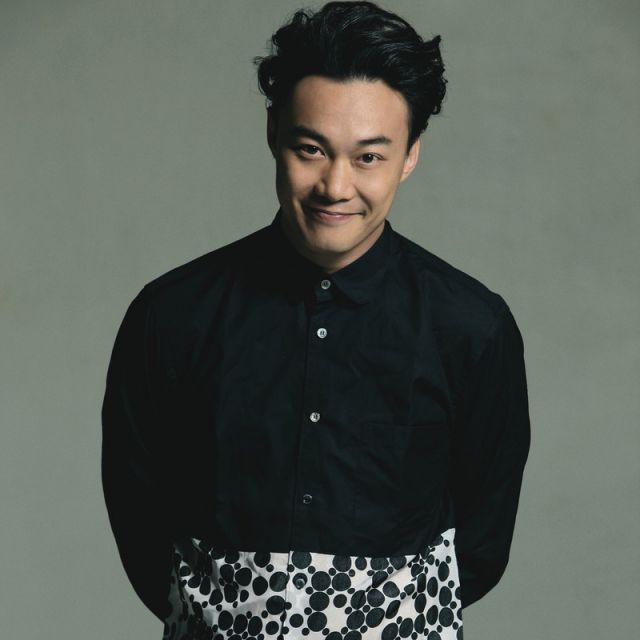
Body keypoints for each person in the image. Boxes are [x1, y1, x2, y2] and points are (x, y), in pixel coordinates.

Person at [101, 2, 531, 639]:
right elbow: (138, 513)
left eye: (369, 157)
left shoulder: (472, 326)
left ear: (410, 154)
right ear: (273, 133)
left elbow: (484, 535)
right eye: (311, 149)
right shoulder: (171, 315)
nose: (335, 186)